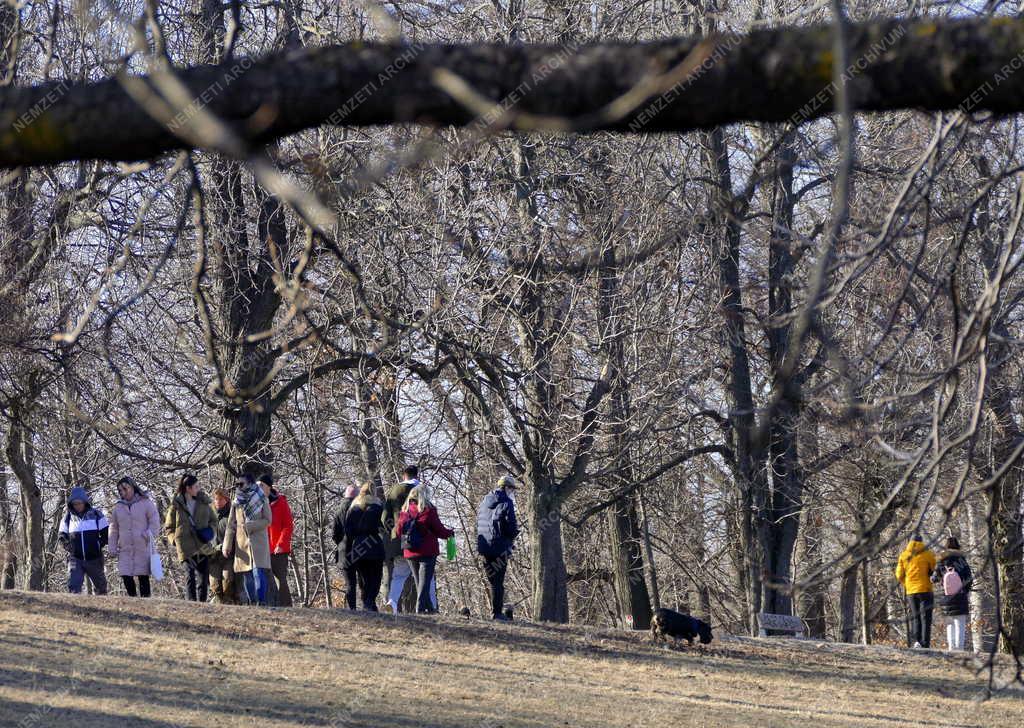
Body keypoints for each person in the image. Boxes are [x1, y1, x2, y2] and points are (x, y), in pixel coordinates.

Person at [383, 466, 436, 612]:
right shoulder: (422, 490)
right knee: (427, 577)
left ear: (403, 475)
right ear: (416, 474)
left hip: (399, 541)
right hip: (420, 543)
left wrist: (394, 533)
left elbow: (384, 517)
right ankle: (431, 606)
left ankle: (392, 603)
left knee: (398, 575)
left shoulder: (395, 491)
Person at [396, 486, 454, 614]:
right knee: (424, 583)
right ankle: (420, 608)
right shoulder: (429, 510)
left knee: (420, 582)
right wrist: (450, 533)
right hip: (427, 551)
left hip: (410, 551)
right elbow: (439, 530)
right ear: (424, 495)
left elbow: (399, 531)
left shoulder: (405, 511)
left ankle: (430, 609)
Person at [164, 473, 218, 602]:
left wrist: (210, 531)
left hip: (202, 545)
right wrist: (175, 541)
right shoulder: (176, 506)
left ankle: (202, 604)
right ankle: (191, 604)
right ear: (188, 488)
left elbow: (214, 521)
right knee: (189, 576)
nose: (199, 488)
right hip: (185, 546)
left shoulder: (204, 503)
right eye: (196, 486)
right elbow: (168, 527)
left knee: (203, 578)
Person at [223, 473, 273, 606]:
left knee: (258, 572)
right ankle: (252, 602)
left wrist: (250, 526)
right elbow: (230, 524)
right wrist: (226, 545)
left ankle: (261, 602)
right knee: (247, 575)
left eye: (241, 483)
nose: (239, 486)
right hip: (242, 542)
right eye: (238, 484)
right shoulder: (236, 502)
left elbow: (268, 520)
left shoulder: (262, 498)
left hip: (258, 541)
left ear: (250, 483)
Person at [476, 475, 520, 621]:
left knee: (493, 581)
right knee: (498, 582)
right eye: (512, 489)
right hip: (500, 547)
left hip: (484, 547)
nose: (512, 492)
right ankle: (497, 613)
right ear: (507, 487)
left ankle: (496, 611)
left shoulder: (484, 502)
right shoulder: (507, 502)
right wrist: (512, 536)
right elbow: (511, 526)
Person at [108, 476, 160, 598]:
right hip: (125, 548)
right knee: (126, 575)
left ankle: (146, 603)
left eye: (125, 489)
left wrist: (148, 534)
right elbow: (113, 528)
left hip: (143, 546)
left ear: (132, 487)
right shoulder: (118, 508)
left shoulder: (146, 503)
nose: (123, 492)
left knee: (143, 576)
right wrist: (112, 546)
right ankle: (132, 600)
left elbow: (155, 520)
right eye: (120, 491)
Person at [58, 486, 109, 595]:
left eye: (80, 503)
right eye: (75, 503)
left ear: (85, 502)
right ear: (71, 504)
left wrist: (98, 544)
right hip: (75, 558)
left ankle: (103, 609)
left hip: (94, 558)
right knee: (73, 587)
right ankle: (75, 610)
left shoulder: (97, 514)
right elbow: (62, 536)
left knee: (101, 588)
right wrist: (68, 546)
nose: (77, 506)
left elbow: (106, 533)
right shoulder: (67, 518)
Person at [344, 483, 386, 611]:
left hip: (358, 546)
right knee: (376, 576)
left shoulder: (353, 508)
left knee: (363, 577)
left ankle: (368, 603)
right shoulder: (378, 506)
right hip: (374, 544)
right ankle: (369, 601)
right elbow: (384, 526)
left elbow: (348, 529)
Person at [895, 532, 937, 648]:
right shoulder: (928, 554)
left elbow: (899, 575)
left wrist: (907, 584)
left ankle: (916, 642)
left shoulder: (904, 555)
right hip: (925, 589)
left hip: (911, 591)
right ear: (922, 542)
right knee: (926, 618)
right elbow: (935, 571)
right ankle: (925, 643)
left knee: (915, 616)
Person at [931, 536, 973, 651]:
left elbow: (934, 579)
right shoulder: (962, 560)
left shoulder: (941, 561)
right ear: (958, 546)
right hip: (960, 595)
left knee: (950, 623)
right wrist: (965, 590)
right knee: (960, 623)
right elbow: (969, 578)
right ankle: (959, 648)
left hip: (947, 597)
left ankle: (951, 647)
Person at [260, 474, 294, 607]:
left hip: (278, 549)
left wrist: (280, 544)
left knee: (281, 580)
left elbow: (288, 525)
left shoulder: (281, 502)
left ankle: (286, 607)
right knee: (265, 580)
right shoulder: (257, 502)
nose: (259, 488)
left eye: (261, 485)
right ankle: (269, 605)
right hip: (262, 548)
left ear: (268, 487)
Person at [332, 484, 359, 609]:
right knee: (364, 581)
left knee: (350, 583)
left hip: (344, 551)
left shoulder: (338, 511)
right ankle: (367, 606)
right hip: (360, 549)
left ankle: (352, 608)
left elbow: (334, 534)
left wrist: (341, 543)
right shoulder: (359, 509)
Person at [209, 487, 237, 604]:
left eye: (220, 499)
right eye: (216, 499)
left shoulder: (231, 514)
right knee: (215, 586)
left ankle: (230, 604)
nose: (218, 502)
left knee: (228, 583)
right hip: (213, 556)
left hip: (228, 556)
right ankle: (219, 605)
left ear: (226, 500)